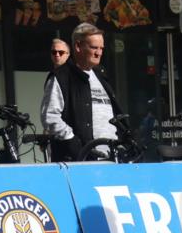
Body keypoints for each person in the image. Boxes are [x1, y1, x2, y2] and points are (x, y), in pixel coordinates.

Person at [41, 23, 122, 161]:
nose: (99, 53)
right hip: (79, 161)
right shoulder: (61, 77)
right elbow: (50, 117)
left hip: (111, 158)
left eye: (101, 48)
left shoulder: (101, 75)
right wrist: (74, 143)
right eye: (94, 47)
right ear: (78, 46)